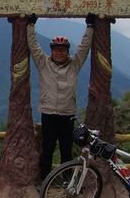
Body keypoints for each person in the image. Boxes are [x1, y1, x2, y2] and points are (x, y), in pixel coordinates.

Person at [27, 13, 95, 179]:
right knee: (47, 150)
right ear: (51, 51)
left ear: (67, 51)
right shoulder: (43, 63)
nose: (59, 53)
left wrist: (90, 27)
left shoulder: (74, 64)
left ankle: (67, 182)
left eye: (63, 50)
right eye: (56, 50)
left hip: (67, 115)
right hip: (48, 114)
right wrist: (30, 26)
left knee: (66, 151)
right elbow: (34, 46)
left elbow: (84, 48)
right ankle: (45, 182)